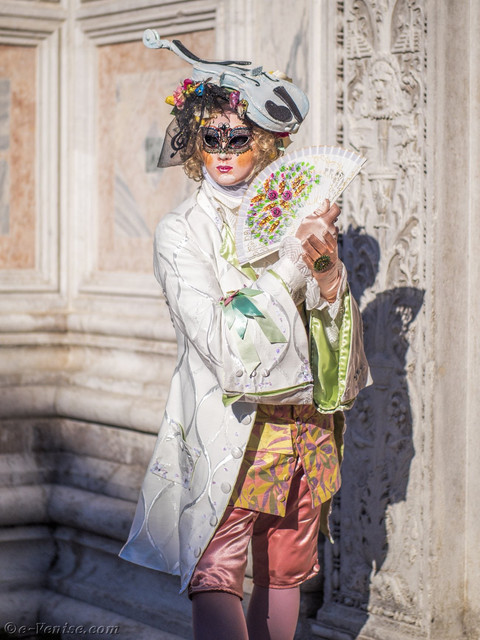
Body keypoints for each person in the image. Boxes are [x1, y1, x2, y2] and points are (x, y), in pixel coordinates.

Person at [120, 35, 369, 640]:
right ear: (195, 141)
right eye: (213, 137)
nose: (226, 151)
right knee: (216, 571)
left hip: (301, 424)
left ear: (264, 143)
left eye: (240, 138)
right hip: (231, 425)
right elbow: (229, 350)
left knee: (284, 570)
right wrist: (287, 266)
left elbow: (327, 342)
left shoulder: (294, 216)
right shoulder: (181, 233)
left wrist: (328, 275)